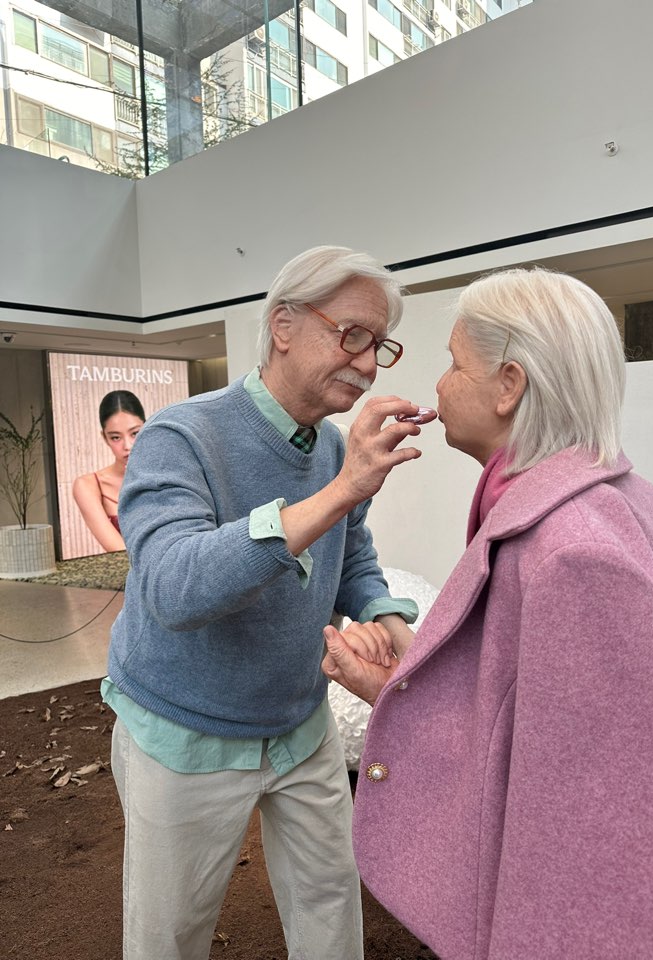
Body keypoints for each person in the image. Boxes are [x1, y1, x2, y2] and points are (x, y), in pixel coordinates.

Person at [323, 267, 653, 960]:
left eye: (454, 362)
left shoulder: (575, 554)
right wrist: (397, 688)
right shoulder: (624, 506)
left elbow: (589, 833)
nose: (439, 383)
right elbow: (536, 730)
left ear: (509, 385)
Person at [103, 245, 428, 960]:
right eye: (352, 336)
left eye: (379, 345)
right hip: (186, 728)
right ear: (283, 325)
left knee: (330, 901)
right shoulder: (181, 436)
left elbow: (351, 554)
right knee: (170, 933)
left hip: (299, 721)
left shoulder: (332, 446)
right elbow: (173, 588)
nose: (369, 364)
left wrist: (395, 629)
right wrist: (342, 490)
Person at [72, 390, 146, 552]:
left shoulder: (165, 475)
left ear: (147, 429)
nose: (127, 446)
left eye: (135, 433)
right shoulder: (88, 485)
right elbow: (118, 550)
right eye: (116, 437)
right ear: (105, 437)